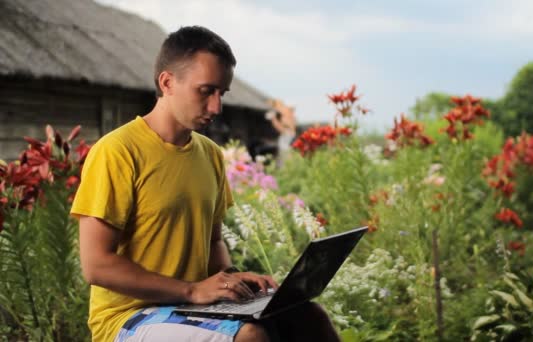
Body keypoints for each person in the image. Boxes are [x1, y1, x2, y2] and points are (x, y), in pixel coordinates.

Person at [71, 26, 339, 342]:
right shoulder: (117, 152)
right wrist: (191, 289)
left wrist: (233, 281)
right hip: (128, 318)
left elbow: (213, 244)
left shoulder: (210, 154)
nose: (216, 107)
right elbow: (96, 265)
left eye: (221, 93)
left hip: (191, 306)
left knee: (310, 318)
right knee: (250, 337)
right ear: (167, 82)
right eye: (205, 91)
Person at [266, 99, 296, 165]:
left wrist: (273, 119)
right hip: (286, 139)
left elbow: (282, 129)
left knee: (284, 159)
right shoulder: (289, 116)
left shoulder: (287, 116)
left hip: (285, 140)